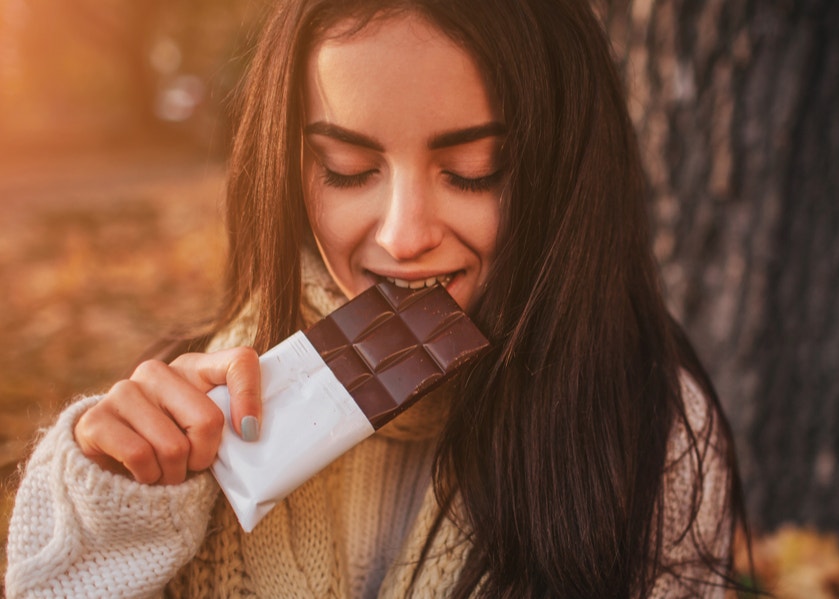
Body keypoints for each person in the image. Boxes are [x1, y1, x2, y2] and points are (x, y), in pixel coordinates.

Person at [5, 0, 746, 596]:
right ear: (293, 167)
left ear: (563, 173)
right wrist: (109, 512)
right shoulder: (195, 415)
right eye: (349, 168)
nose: (405, 233)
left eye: (472, 169)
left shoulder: (651, 439)